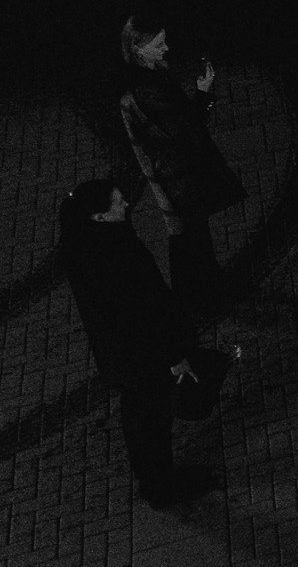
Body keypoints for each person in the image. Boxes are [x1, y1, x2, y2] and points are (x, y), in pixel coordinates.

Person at [57, 179, 218, 506]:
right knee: (151, 421)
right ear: (99, 217)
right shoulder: (116, 254)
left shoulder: (83, 244)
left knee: (139, 418)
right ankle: (161, 486)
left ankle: (156, 479)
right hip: (144, 357)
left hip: (122, 357)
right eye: (117, 203)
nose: (126, 205)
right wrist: (175, 355)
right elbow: (144, 310)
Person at [117, 14, 243, 314]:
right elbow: (181, 129)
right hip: (175, 176)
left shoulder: (149, 77)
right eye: (158, 44)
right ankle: (197, 299)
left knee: (192, 233)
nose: (166, 49)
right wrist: (204, 95)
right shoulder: (144, 90)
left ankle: (207, 291)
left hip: (177, 173)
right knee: (188, 237)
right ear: (138, 49)